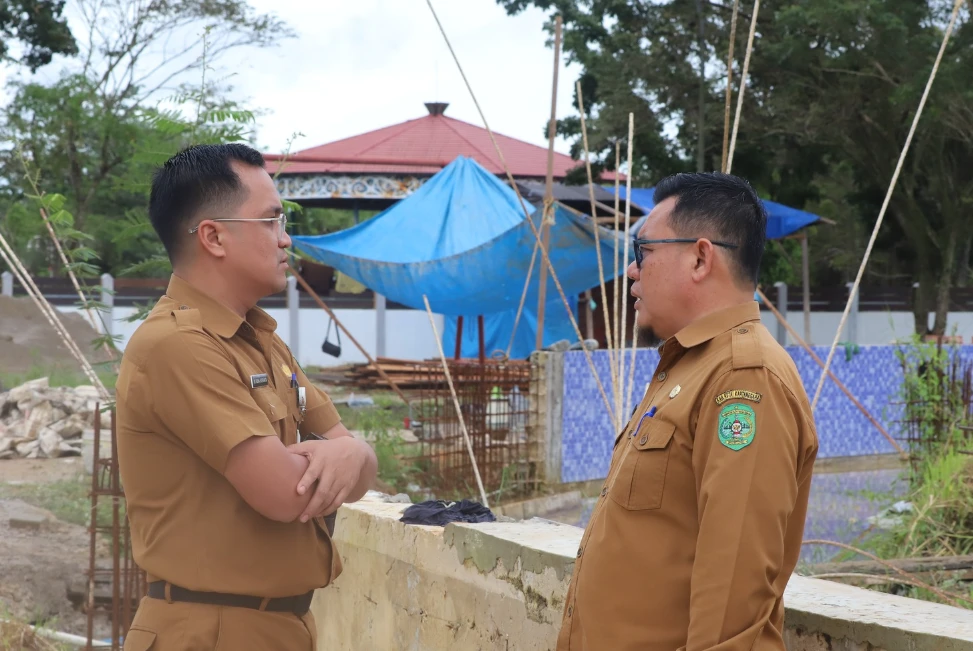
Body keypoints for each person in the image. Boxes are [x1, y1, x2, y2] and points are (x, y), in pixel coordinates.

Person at [116, 143, 378, 651]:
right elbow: (286, 493)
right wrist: (335, 456)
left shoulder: (263, 342)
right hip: (209, 630)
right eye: (272, 222)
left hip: (275, 626)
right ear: (213, 236)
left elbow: (359, 472)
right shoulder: (176, 345)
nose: (286, 240)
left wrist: (350, 453)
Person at [557, 172, 818, 651]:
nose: (631, 272)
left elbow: (733, 605)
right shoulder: (687, 368)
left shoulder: (744, 378)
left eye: (643, 253)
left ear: (700, 257)